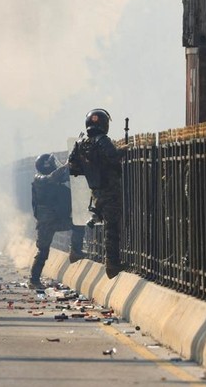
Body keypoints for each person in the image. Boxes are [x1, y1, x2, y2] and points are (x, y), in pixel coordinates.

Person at [68, 108, 127, 279]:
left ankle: (107, 260)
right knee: (112, 228)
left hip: (95, 190)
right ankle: (112, 264)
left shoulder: (80, 143)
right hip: (111, 189)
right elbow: (113, 157)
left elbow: (73, 167)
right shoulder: (103, 140)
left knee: (106, 227)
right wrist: (125, 149)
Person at [29, 153, 86, 289]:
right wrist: (65, 166)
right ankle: (33, 280)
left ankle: (75, 251)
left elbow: (67, 177)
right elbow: (51, 177)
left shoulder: (53, 178)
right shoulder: (39, 178)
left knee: (78, 223)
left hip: (57, 218)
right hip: (46, 223)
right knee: (43, 251)